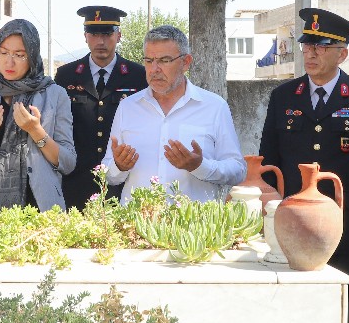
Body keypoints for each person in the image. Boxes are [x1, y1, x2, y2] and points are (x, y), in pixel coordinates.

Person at [259, 8, 349, 323]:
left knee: (343, 308)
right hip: (290, 225)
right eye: (307, 46)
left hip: (344, 227)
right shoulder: (283, 97)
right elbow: (268, 164)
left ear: (342, 53)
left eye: (320, 47)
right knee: (289, 305)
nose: (311, 53)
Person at [103, 25, 245, 202]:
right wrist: (118, 166)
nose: (154, 69)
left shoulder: (214, 107)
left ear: (185, 62)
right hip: (137, 225)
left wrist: (200, 166)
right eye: (148, 60)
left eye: (164, 60)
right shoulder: (128, 107)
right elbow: (107, 175)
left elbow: (237, 170)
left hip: (192, 225)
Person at [0, 19, 75, 211]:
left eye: (19, 55)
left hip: (40, 208)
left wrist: (36, 131)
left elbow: (68, 163)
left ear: (32, 55)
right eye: (3, 53)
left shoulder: (55, 95)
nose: (8, 62)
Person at [54, 6, 147, 209]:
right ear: (85, 36)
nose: (100, 41)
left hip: (121, 182)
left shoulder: (138, 75)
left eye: (107, 33)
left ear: (119, 35)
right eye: (94, 34)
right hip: (75, 181)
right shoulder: (66, 75)